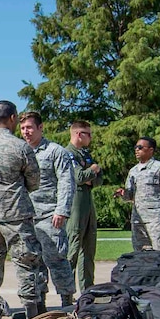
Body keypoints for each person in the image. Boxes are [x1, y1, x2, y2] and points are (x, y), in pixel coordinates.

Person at [0, 100, 45, 316]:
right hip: (16, 214)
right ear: (13, 118)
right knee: (27, 263)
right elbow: (34, 181)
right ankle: (33, 311)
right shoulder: (20, 146)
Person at [20, 111, 79, 306]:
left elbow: (66, 182)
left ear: (40, 127)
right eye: (22, 128)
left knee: (57, 259)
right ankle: (40, 303)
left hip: (49, 214)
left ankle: (67, 301)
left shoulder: (55, 151)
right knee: (33, 262)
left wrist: (62, 210)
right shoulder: (20, 151)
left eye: (29, 127)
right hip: (27, 216)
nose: (26, 132)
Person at [118, 137, 160, 252]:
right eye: (135, 148)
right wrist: (124, 194)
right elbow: (130, 197)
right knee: (140, 252)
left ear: (150, 150)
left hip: (155, 218)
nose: (136, 150)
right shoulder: (133, 171)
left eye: (140, 147)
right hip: (138, 219)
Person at [65, 119, 102, 293]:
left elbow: (98, 180)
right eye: (89, 134)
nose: (91, 138)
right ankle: (68, 292)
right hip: (75, 206)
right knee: (72, 249)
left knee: (88, 250)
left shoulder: (85, 154)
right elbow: (79, 177)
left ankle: (87, 290)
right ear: (79, 134)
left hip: (88, 204)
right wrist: (93, 170)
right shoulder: (68, 153)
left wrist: (93, 174)